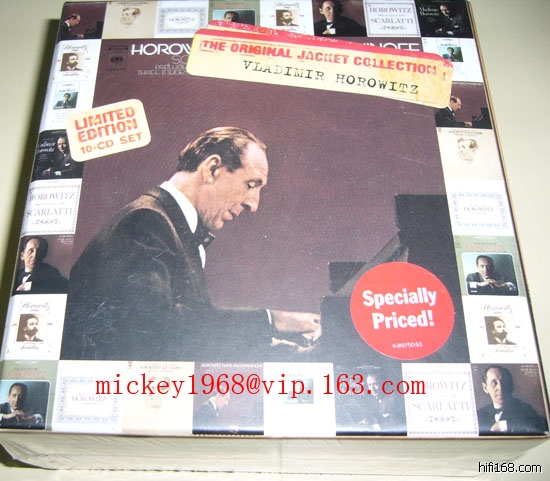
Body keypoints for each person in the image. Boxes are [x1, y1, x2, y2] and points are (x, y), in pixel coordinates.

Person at [60, 127, 321, 362]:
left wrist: (278, 348)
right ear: (212, 169)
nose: (254, 204)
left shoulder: (170, 226)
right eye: (251, 185)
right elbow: (153, 331)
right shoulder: (146, 221)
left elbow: (186, 333)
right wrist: (273, 321)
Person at [477, 366, 547, 435]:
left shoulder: (525, 409)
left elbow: (543, 426)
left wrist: (504, 425)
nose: (500, 388)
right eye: (494, 383)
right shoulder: (479, 415)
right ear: (485, 388)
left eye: (503, 382)